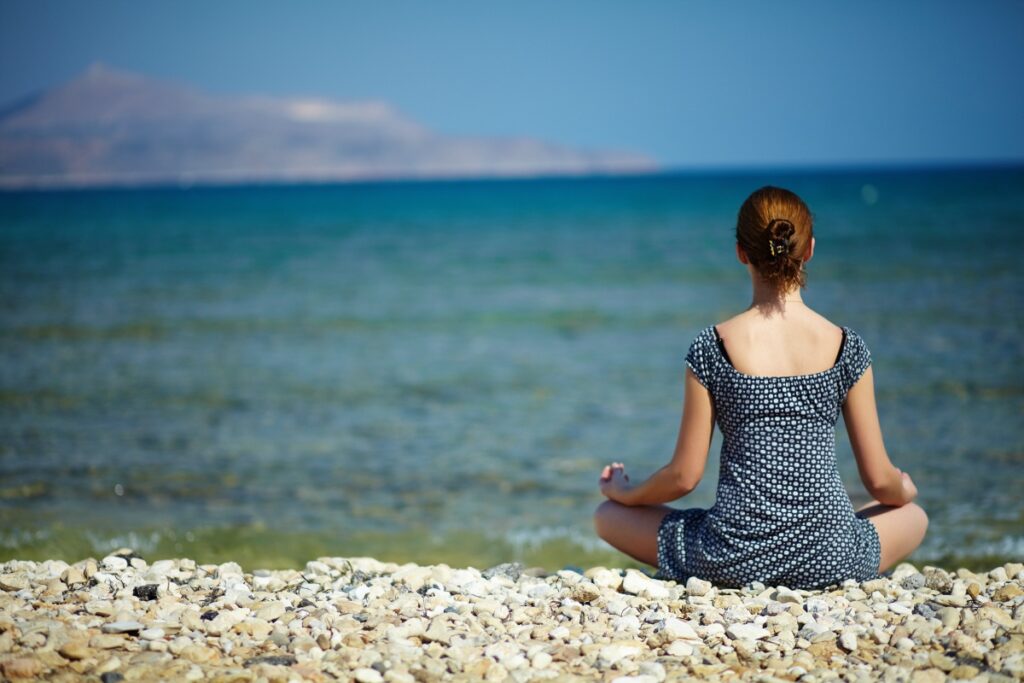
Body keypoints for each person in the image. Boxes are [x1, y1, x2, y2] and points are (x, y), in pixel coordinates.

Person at [593, 186, 928, 589]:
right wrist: (903, 485)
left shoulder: (712, 347)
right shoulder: (846, 347)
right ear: (809, 250)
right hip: (830, 555)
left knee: (605, 516)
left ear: (740, 252)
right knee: (914, 515)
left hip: (731, 557)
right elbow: (878, 481)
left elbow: (683, 477)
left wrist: (626, 493)